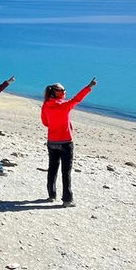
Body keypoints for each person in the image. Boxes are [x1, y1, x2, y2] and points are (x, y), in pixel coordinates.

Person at [41, 77, 96, 207]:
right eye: (63, 90)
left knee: (52, 168)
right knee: (66, 172)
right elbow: (77, 99)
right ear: (57, 92)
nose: (65, 92)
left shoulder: (46, 105)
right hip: (66, 142)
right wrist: (89, 87)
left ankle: (51, 195)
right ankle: (67, 200)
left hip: (52, 141)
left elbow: (45, 122)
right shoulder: (64, 106)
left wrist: (55, 124)